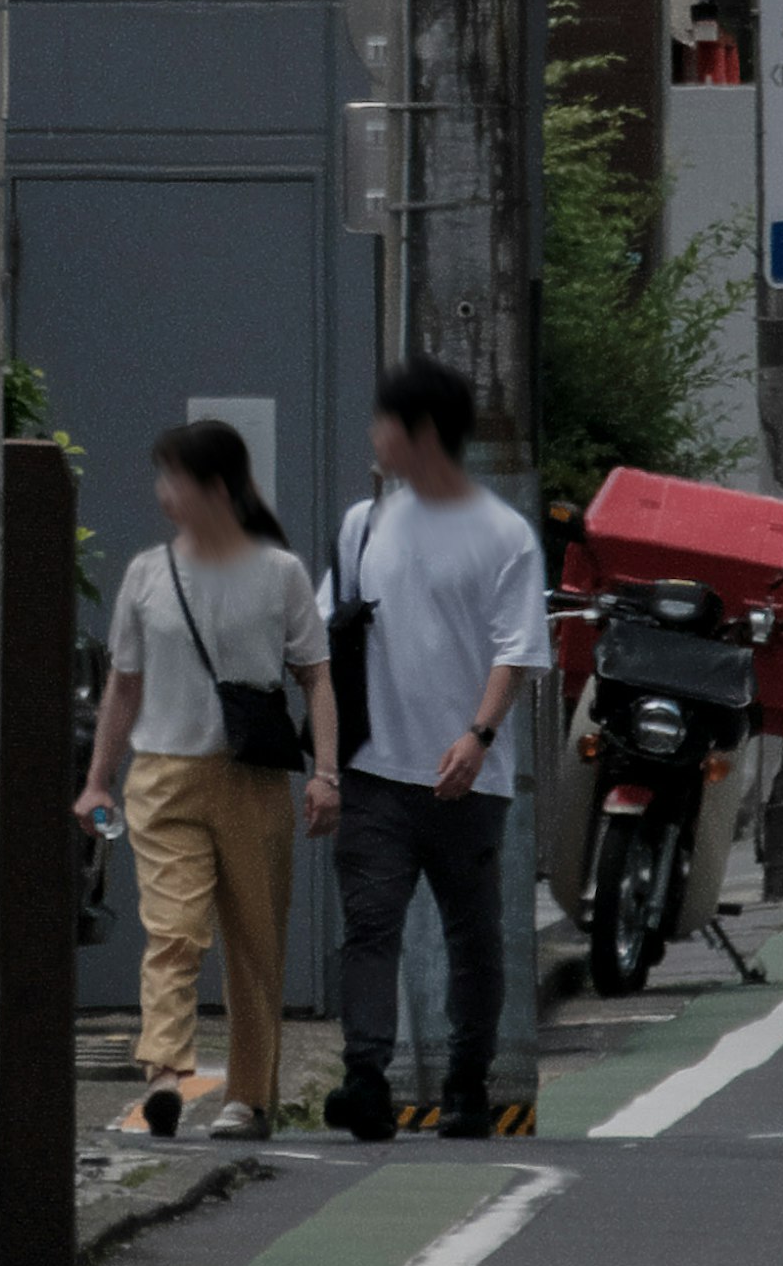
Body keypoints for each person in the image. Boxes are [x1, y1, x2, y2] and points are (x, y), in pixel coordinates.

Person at [75, 418, 337, 1144]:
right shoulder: (146, 574)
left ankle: (247, 1100)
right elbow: (122, 688)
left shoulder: (278, 570)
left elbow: (317, 677)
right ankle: (164, 1072)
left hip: (252, 777)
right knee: (172, 932)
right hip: (160, 779)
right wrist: (99, 780)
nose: (162, 491)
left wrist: (327, 773)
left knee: (256, 945)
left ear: (215, 488)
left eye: (174, 478)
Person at [322, 354, 553, 1146]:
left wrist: (479, 735)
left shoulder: (501, 532)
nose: (372, 434)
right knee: (370, 925)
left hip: (467, 778)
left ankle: (467, 1082)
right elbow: (327, 644)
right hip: (375, 772)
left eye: (383, 420)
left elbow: (518, 648)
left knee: (473, 934)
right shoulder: (363, 524)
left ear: (418, 432)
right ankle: (365, 1078)